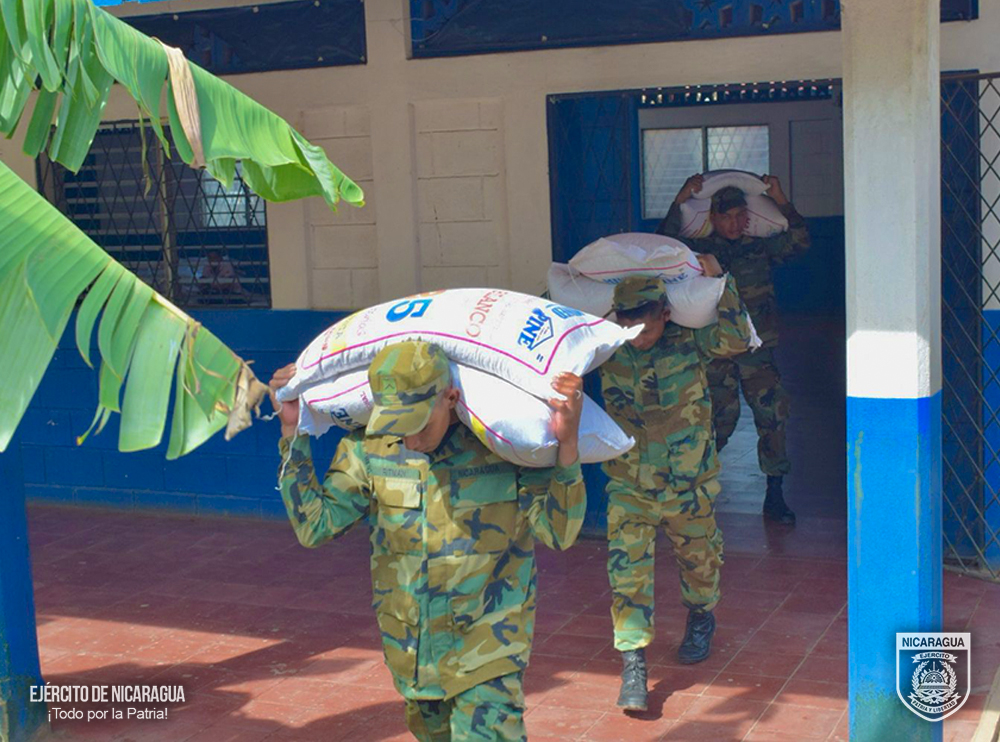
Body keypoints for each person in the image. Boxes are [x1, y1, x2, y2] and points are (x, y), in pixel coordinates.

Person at [269, 340, 586, 741]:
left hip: (487, 649)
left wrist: (567, 446)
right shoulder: (369, 448)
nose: (411, 441)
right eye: (398, 427)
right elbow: (315, 526)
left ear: (450, 398)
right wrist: (291, 433)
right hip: (412, 654)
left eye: (420, 424)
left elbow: (559, 533)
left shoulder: (506, 445)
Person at [599, 263, 755, 712]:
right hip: (630, 482)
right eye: (625, 323)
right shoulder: (608, 348)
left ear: (665, 314)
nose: (635, 334)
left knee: (699, 559)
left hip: (689, 481)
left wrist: (725, 281)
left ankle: (701, 615)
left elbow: (737, 338)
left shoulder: (690, 342)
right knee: (626, 571)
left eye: (642, 324)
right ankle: (633, 661)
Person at [656, 174, 811, 524]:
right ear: (712, 218)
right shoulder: (699, 254)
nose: (735, 223)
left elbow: (800, 243)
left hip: (757, 350)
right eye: (726, 216)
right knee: (717, 423)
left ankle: (775, 493)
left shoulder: (759, 247)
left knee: (772, 415)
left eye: (741, 215)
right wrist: (679, 200)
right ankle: (696, 489)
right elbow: (664, 245)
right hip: (717, 350)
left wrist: (781, 199)